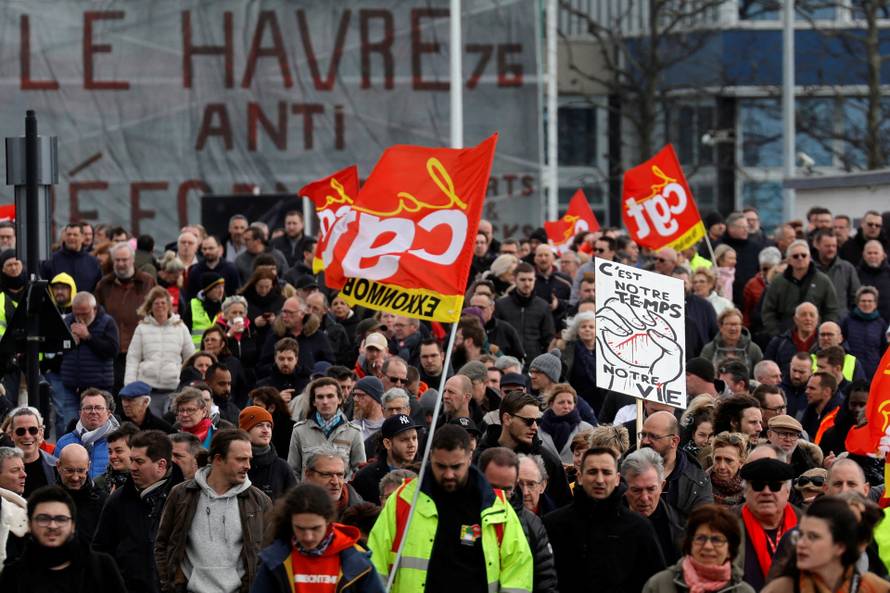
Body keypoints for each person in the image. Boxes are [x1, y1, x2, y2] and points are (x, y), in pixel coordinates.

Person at [368, 424, 533, 593]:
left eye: (456, 467)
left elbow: (517, 569)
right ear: (431, 457)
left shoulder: (497, 507)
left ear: (470, 458)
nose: (448, 474)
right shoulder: (404, 500)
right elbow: (376, 561)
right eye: (440, 466)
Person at [155, 429, 273, 593]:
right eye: (240, 459)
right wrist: (169, 584)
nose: (248, 466)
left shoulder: (259, 502)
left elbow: (267, 554)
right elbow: (162, 544)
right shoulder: (182, 494)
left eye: (249, 459)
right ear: (218, 459)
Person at [545, 446, 666, 593]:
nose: (600, 480)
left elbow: (655, 583)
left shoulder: (639, 528)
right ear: (580, 477)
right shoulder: (554, 525)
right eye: (592, 472)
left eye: (606, 472)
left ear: (617, 479)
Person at [252, 483, 384, 593]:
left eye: (315, 528)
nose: (308, 537)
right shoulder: (275, 560)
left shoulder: (357, 561)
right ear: (290, 523)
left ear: (328, 522)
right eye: (300, 528)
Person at [93, 430, 180, 593]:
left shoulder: (184, 499)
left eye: (139, 461)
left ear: (161, 465)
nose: (132, 467)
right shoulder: (117, 500)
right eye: (131, 460)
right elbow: (101, 552)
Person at [0, 486, 126, 592]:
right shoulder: (13, 575)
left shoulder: (102, 568)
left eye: (61, 519)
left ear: (73, 525)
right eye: (43, 518)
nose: (52, 526)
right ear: (30, 524)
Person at [762, 496, 890, 593]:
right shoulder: (782, 588)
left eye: (813, 537)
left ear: (840, 546)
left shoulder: (874, 588)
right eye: (800, 535)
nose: (801, 544)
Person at [479, 447, 559, 593]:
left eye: (507, 489)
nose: (500, 496)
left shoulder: (533, 524)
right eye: (493, 488)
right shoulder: (465, 514)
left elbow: (545, 580)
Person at [476, 391, 573, 507]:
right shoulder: (480, 457)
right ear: (507, 419)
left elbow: (564, 507)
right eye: (528, 421)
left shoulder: (548, 461)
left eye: (537, 421)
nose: (535, 427)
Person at [642, 503, 755, 593]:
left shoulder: (743, 591)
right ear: (690, 544)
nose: (708, 546)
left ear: (730, 549)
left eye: (717, 540)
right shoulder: (659, 585)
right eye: (701, 538)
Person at [95, 241, 156, 391]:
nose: (121, 264)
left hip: (141, 350)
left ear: (133, 259)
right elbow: (96, 314)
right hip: (113, 351)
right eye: (117, 260)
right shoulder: (104, 285)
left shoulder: (147, 282)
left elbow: (158, 311)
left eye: (125, 260)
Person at [126, 286, 196, 416]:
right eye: (156, 303)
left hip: (173, 388)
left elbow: (191, 357)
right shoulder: (142, 328)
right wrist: (129, 387)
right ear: (150, 306)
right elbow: (133, 359)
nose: (160, 306)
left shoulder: (180, 327)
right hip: (147, 389)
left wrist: (183, 378)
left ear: (169, 305)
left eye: (163, 302)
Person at [737, 457, 799, 590]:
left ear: (787, 492)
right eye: (758, 485)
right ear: (745, 492)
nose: (766, 492)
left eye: (775, 486)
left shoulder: (807, 524)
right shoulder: (726, 525)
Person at [640, 411, 714, 520]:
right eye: (643, 435)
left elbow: (702, 523)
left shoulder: (697, 480)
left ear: (674, 441)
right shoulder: (626, 469)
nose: (645, 441)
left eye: (653, 436)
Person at [287, 378, 365, 479]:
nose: (325, 401)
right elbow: (292, 472)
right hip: (310, 492)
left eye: (330, 396)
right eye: (320, 397)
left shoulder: (353, 432)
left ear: (339, 400)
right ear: (314, 402)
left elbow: (360, 472)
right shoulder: (300, 431)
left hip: (341, 492)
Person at [762, 240, 839, 336]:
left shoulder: (823, 281)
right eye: (795, 256)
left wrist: (823, 332)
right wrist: (777, 333)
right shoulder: (778, 282)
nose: (800, 258)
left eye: (804, 255)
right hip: (785, 336)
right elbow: (768, 311)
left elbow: (832, 310)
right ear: (789, 260)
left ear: (810, 258)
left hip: (815, 337)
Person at [622, 448, 684, 565]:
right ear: (623, 487)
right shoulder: (606, 524)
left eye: (651, 489)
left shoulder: (679, 528)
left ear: (662, 486)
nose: (644, 498)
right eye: (636, 490)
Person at [352, 414, 419, 505]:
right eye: (404, 440)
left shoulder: (425, 473)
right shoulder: (365, 477)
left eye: (414, 438)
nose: (412, 444)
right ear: (387, 443)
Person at [494, 261, 555, 362]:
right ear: (515, 280)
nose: (527, 284)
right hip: (507, 361)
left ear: (534, 280)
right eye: (522, 280)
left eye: (530, 280)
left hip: (534, 361)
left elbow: (548, 337)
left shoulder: (543, 306)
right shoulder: (501, 305)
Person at [55, 389, 120, 479]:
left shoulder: (119, 442)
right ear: (80, 413)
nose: (93, 412)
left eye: (98, 408)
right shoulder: (64, 443)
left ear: (108, 413)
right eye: (88, 408)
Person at [54, 444, 105, 547]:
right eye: (70, 470)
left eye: (81, 471)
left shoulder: (102, 501)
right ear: (58, 466)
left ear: (88, 467)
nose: (75, 477)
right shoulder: (46, 500)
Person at [240, 406, 295, 500]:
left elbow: (294, 503)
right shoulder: (235, 463)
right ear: (246, 430)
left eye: (268, 426)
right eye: (259, 425)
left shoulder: (282, 467)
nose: (266, 430)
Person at [539, 383, 595, 465]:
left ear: (574, 405)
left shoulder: (586, 428)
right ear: (551, 404)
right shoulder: (537, 427)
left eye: (569, 402)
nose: (566, 406)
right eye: (561, 402)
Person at [7, 407, 57, 497]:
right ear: (11, 435)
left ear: (41, 433)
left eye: (32, 430)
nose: (27, 436)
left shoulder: (56, 467)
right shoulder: (3, 468)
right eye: (20, 431)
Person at [841, 286, 888, 380]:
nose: (866, 303)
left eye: (870, 301)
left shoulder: (881, 324)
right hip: (852, 371)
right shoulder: (847, 322)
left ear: (875, 304)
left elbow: (885, 349)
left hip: (874, 371)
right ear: (857, 303)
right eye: (863, 301)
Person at [40, 223, 103, 292]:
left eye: (75, 235)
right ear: (64, 237)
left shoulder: (93, 262)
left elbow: (97, 288)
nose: (71, 237)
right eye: (68, 234)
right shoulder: (51, 260)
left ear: (82, 238)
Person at [709, 432, 748, 506]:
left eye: (728, 460)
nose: (722, 466)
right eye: (718, 459)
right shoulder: (699, 486)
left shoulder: (751, 490)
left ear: (741, 463)